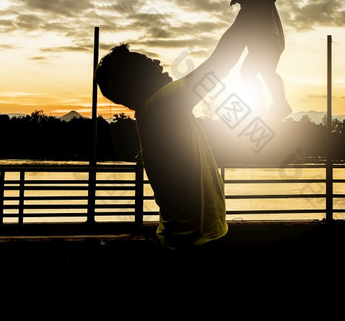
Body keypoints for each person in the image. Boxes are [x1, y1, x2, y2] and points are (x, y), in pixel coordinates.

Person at [94, 14, 248, 249]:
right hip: (196, 242)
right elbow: (221, 63)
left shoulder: (151, 113)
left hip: (184, 237)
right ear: (136, 81)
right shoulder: (162, 105)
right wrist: (250, 7)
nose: (157, 62)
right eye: (147, 63)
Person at [208, 0, 291, 121]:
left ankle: (277, 104)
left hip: (269, 37)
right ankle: (265, 104)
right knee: (252, 72)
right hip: (263, 39)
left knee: (260, 71)